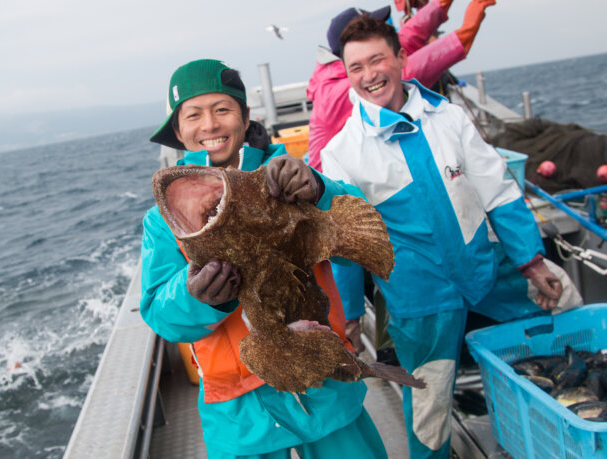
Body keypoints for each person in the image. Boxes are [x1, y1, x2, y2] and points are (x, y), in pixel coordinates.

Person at [319, 14, 576, 458]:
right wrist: (349, 316)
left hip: (485, 269)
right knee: (429, 410)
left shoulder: (449, 116)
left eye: (377, 59)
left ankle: (557, 433)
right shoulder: (341, 153)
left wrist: (532, 262)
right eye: (355, 67)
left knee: (565, 304)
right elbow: (345, 246)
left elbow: (498, 191)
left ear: (401, 58)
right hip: (420, 300)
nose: (368, 75)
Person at [140, 58, 388, 458]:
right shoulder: (163, 220)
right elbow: (161, 316)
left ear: (244, 116)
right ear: (178, 131)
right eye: (193, 115)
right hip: (239, 414)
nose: (209, 125)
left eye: (222, 109)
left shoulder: (291, 180)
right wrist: (197, 296)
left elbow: (361, 242)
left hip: (324, 381)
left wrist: (318, 189)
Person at [307, 0, 496, 173]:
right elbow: (407, 71)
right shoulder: (336, 91)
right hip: (338, 192)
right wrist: (469, 27)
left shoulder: (339, 69)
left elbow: (409, 35)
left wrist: (440, 4)